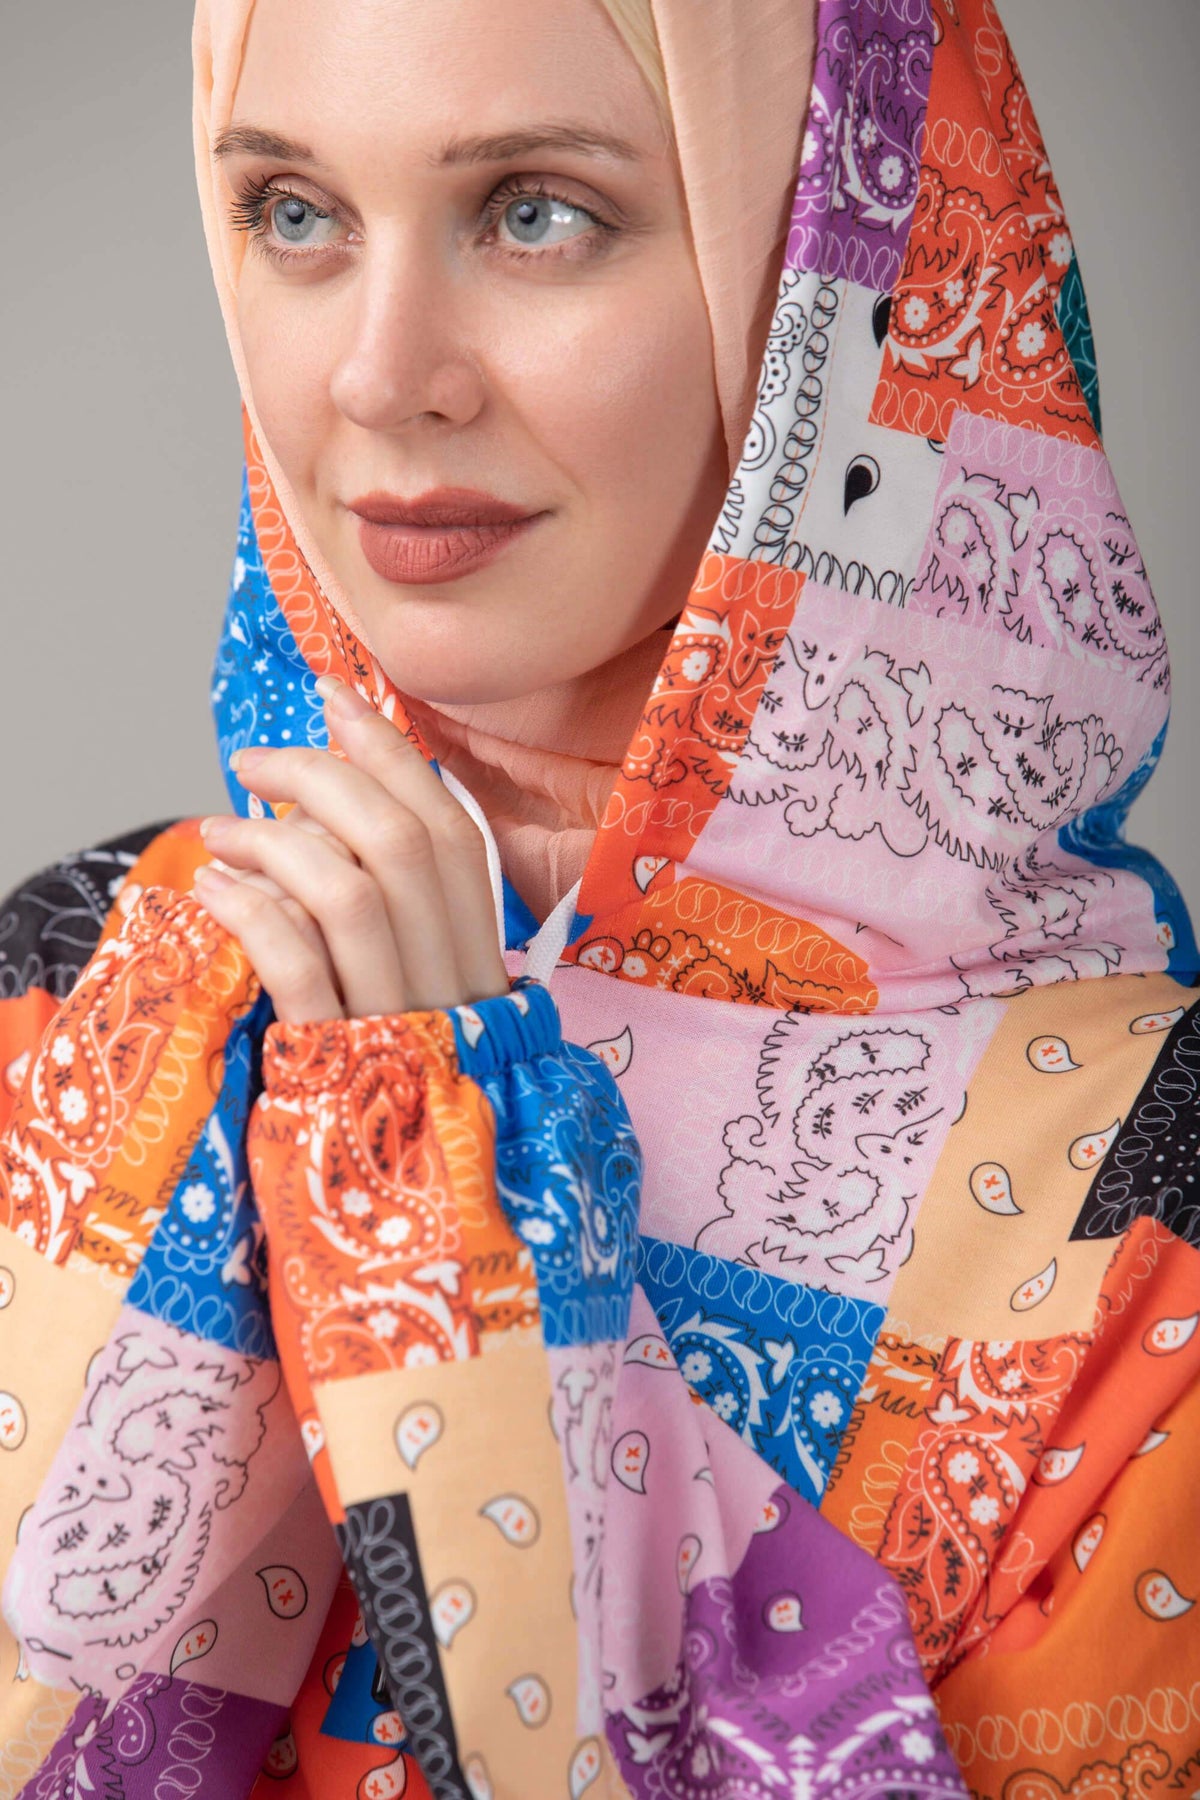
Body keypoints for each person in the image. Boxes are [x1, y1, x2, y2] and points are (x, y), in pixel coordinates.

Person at [1, 0, 1197, 1793]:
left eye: (536, 212)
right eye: (294, 213)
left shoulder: (1143, 1211)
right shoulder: (78, 984)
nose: (381, 376)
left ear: (834, 284)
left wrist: (437, 1201)